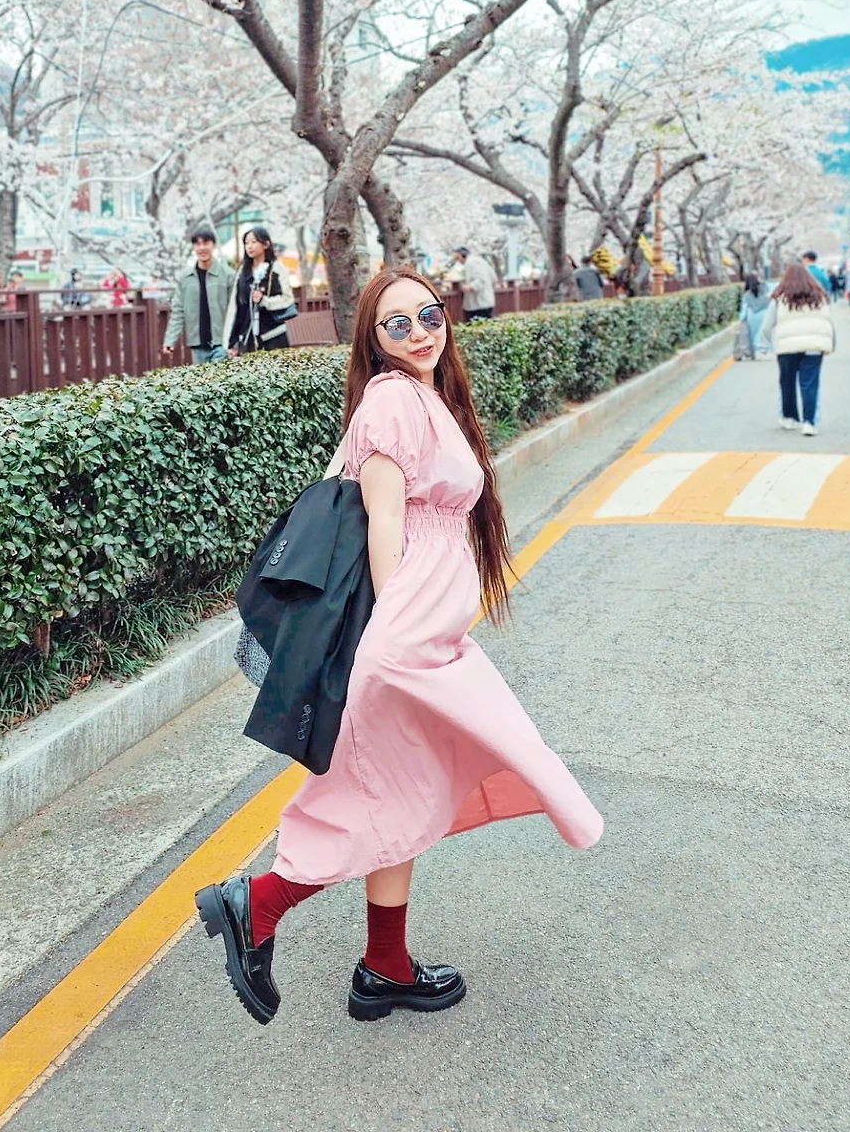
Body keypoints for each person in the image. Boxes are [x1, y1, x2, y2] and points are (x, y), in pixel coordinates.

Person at [195, 266, 603, 1026]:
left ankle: (383, 967)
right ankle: (260, 903)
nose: (419, 332)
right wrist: (394, 643)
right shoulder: (390, 400)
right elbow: (385, 525)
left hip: (422, 635)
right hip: (403, 641)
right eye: (398, 324)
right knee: (393, 786)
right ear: (375, 340)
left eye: (429, 315)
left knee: (401, 791)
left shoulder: (428, 397)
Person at [761, 262, 834, 436]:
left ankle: (790, 418)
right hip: (813, 347)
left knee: (787, 382)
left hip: (787, 348)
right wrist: (831, 344)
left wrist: (763, 345)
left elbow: (767, 325)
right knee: (810, 384)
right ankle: (809, 422)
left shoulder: (779, 299)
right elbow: (828, 323)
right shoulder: (820, 298)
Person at [164, 227, 234, 364]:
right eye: (197, 244)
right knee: (201, 377)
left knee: (219, 377)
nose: (202, 248)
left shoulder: (227, 275)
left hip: (222, 343)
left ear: (214, 245)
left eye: (206, 243)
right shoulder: (185, 278)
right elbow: (178, 310)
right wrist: (170, 340)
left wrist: (235, 341)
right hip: (197, 344)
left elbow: (235, 310)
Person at [227, 226, 294, 353]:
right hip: (248, 339)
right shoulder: (243, 271)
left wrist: (264, 300)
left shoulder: (277, 268)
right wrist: (232, 341)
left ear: (266, 244)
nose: (249, 246)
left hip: (274, 337)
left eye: (254, 242)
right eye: (246, 243)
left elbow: (287, 299)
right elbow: (237, 307)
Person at [453, 245, 496, 320]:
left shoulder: (471, 263)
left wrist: (470, 287)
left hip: (477, 304)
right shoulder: (481, 261)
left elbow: (481, 279)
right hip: (487, 302)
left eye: (458, 257)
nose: (458, 260)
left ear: (463, 254)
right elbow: (494, 278)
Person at [739, 272, 770, 357]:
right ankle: (763, 348)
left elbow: (744, 309)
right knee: (762, 332)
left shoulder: (747, 294)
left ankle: (753, 350)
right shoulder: (764, 289)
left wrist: (742, 319)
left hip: (752, 314)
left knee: (752, 334)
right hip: (764, 313)